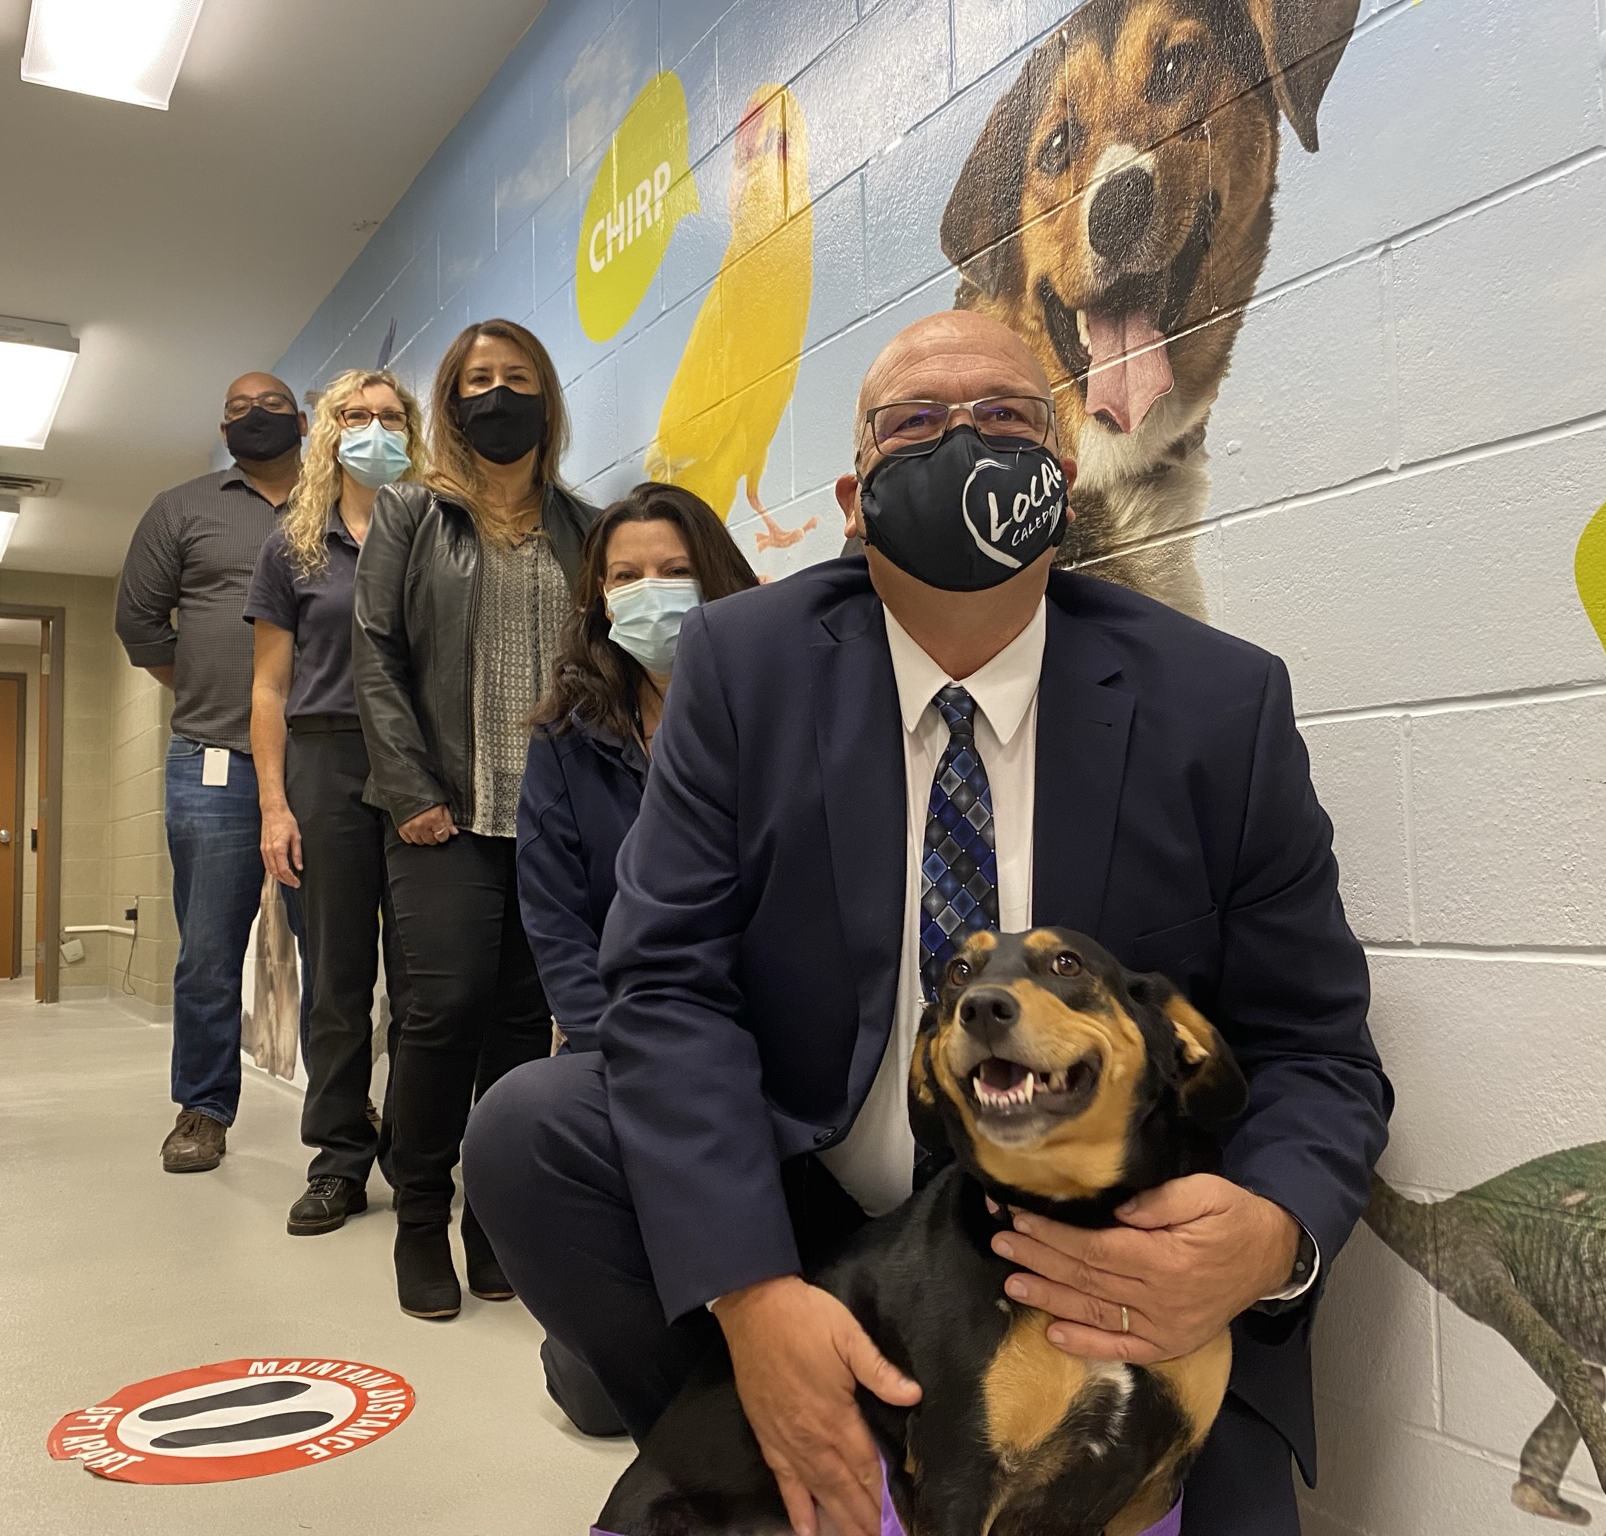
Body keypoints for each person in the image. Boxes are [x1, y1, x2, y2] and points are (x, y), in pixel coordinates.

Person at [465, 311, 1393, 1536]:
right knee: (533, 1131)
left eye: (1007, 419)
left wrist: (1268, 1235)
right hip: (832, 1227)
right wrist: (751, 1302)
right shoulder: (743, 667)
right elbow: (665, 987)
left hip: (1102, 1254)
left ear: (1058, 483)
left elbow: (1317, 1047)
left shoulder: (1218, 702)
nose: (963, 444)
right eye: (915, 424)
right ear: (855, 498)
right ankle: (787, 1432)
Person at [353, 318, 599, 1320]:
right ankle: (419, 1218)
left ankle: (490, 1226)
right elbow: (375, 653)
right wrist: (410, 791)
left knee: (517, 1028)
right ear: (451, 404)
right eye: (476, 380)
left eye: (517, 377)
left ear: (546, 395)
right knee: (438, 1013)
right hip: (440, 817)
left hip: (545, 822)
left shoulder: (582, 527)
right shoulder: (412, 513)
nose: (497, 395)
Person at [116, 372, 308, 1175]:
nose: (254, 417)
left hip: (326, 760)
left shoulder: (343, 503)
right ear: (221, 429)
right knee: (206, 951)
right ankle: (203, 1107)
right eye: (236, 410)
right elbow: (138, 624)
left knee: (333, 950)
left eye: (268, 406)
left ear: (301, 419)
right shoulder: (181, 508)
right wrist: (205, 687)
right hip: (215, 761)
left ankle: (342, 1101)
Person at [245, 368, 422, 1234]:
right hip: (323, 759)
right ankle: (339, 1160)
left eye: (391, 417)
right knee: (338, 980)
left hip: (422, 766)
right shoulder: (294, 543)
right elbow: (269, 688)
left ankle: (423, 1151)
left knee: (429, 980)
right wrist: (275, 807)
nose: (375, 429)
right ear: (329, 430)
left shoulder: (435, 528)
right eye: (358, 415)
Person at [518, 482, 759, 1055]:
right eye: (626, 576)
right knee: (510, 1122)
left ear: (715, 580)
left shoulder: (775, 719)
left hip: (758, 1029)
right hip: (615, 1033)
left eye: (677, 572)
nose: (651, 591)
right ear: (602, 597)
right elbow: (556, 922)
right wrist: (616, 1045)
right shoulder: (564, 741)